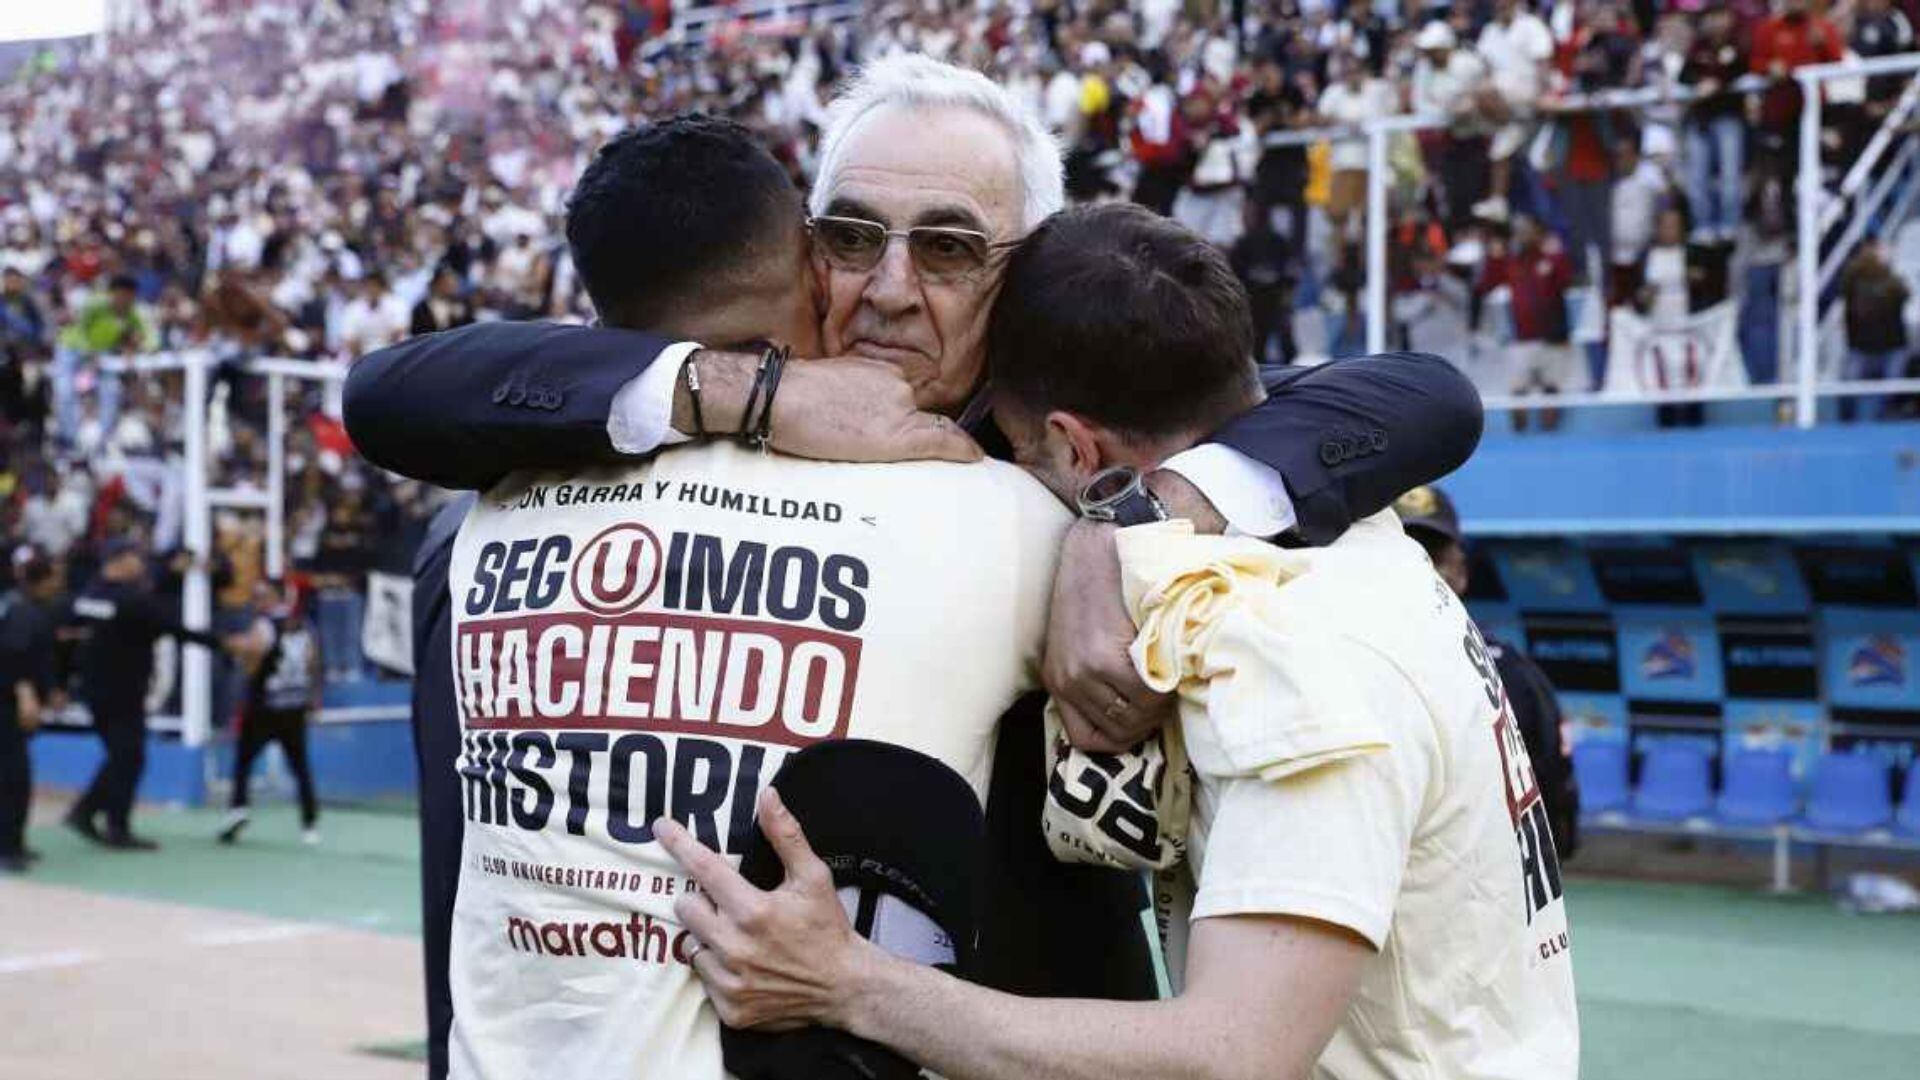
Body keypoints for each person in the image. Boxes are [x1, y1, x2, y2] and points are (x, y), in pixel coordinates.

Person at [348, 60, 1485, 1078]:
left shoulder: (1050, 452)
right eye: (852, 236)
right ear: (804, 249)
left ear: (1028, 272)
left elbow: (1419, 395)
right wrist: (756, 394)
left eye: (946, 247)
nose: (889, 287)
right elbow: (395, 391)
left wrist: (1128, 520)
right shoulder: (643, 432)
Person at [655, 204, 1579, 1080]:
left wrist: (849, 983)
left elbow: (1233, 1055)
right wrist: (1116, 524)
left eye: (1018, 449)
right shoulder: (1349, 521)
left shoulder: (1281, 640)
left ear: (1074, 445)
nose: (1013, 468)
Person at [1394, 484, 1579, 857]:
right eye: (1405, 553)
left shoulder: (1511, 673)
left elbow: (1556, 808)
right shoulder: (1345, 663)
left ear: (1460, 570)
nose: (1420, 570)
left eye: (1433, 555)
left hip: (1484, 886)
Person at [64, 538, 237, 850]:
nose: (141, 564)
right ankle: (113, 824)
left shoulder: (90, 594)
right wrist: (223, 643)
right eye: (135, 557)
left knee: (122, 755)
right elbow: (176, 629)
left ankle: (88, 812)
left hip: (94, 689)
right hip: (124, 690)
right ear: (119, 560)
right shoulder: (132, 601)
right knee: (129, 756)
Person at [218, 579, 323, 846]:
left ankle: (238, 809)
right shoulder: (302, 624)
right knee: (301, 766)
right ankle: (309, 824)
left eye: (261, 596)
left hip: (265, 705)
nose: (257, 602)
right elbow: (313, 660)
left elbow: (254, 652)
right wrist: (312, 696)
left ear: (276, 596)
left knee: (244, 760)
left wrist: (233, 647)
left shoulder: (265, 624)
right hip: (294, 704)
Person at [0, 545, 63, 874]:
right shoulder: (24, 611)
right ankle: (7, 847)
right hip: (7, 703)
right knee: (13, 778)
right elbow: (13, 653)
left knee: (14, 775)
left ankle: (14, 842)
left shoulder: (23, 606)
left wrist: (49, 688)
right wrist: (26, 694)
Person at [1838, 240, 1913, 422]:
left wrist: (1885, 268)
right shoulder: (1852, 280)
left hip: (1892, 347)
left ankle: (1886, 418)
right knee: (1847, 386)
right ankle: (1847, 424)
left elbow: (1903, 294)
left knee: (1894, 389)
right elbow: (1846, 288)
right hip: (1861, 348)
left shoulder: (1893, 282)